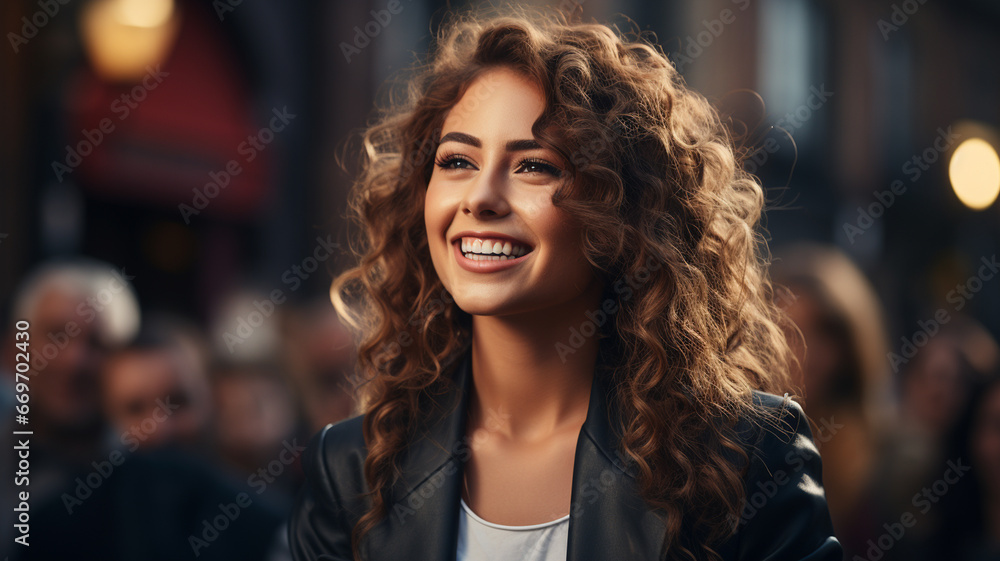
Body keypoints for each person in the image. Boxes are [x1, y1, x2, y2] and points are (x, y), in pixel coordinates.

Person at [290, 9, 841, 561]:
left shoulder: (747, 457)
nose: (480, 197)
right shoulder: (351, 471)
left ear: (625, 213)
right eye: (456, 160)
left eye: (535, 166)